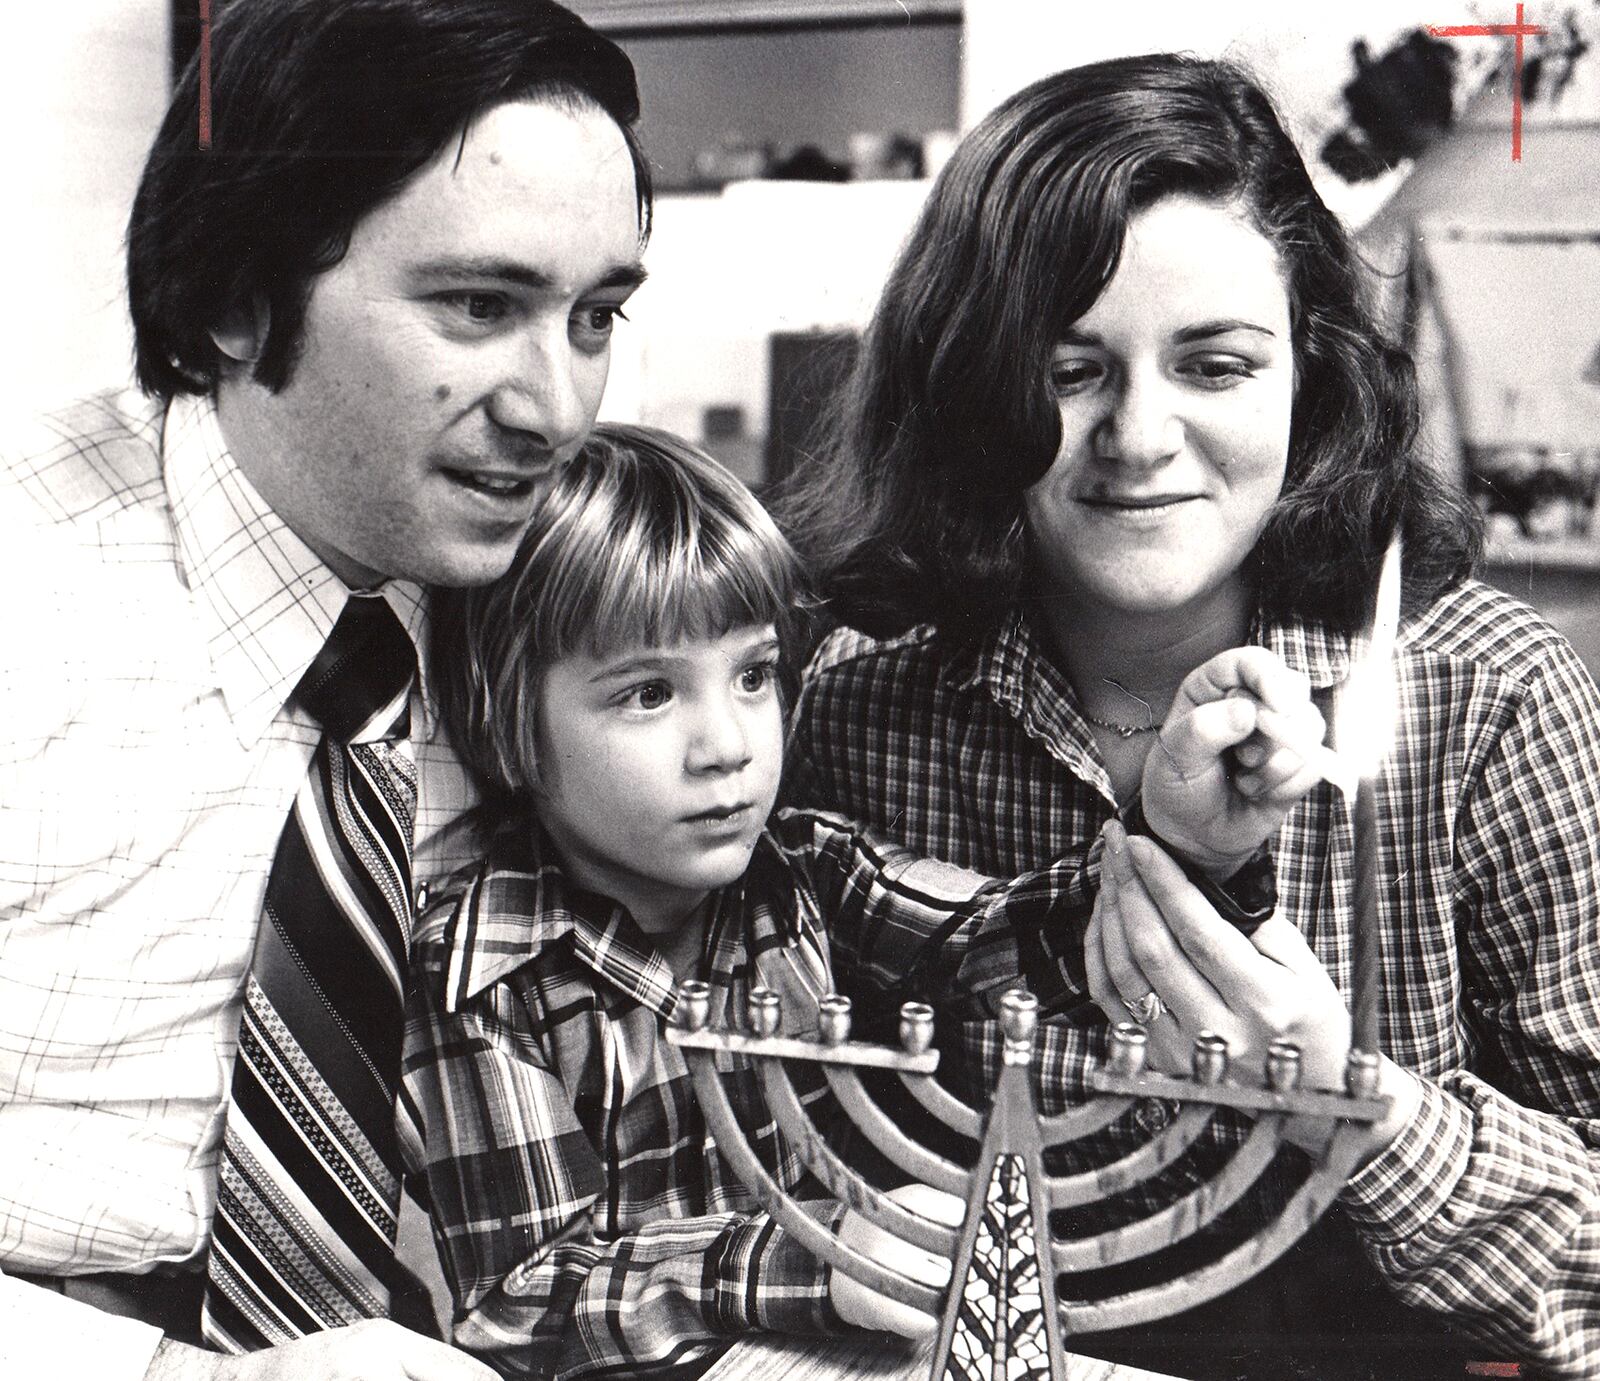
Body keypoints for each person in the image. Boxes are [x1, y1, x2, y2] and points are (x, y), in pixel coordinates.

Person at [782, 52, 1600, 1381]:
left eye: (1215, 365)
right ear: (974, 386)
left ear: (1311, 380)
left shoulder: (1490, 700)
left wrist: (1360, 1108)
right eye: (1070, 369)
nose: (1142, 434)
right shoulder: (861, 701)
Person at [0, 2, 649, 1378]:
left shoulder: (553, 591)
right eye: (480, 305)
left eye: (594, 316)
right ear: (239, 296)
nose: (558, 406)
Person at [399, 422, 1327, 1380]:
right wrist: (809, 1258)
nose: (727, 744)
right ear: (505, 721)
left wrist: (1178, 838)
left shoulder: (804, 870)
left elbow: (994, 940)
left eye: (754, 675)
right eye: (646, 694)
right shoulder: (480, 967)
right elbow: (519, 1303)